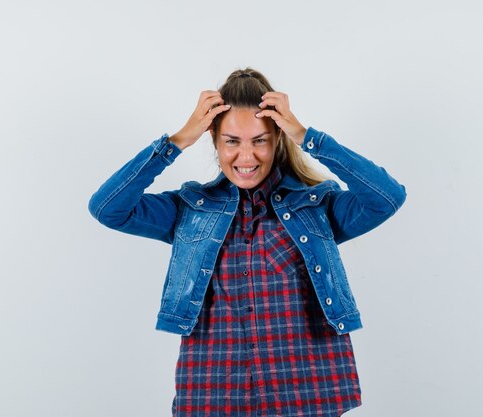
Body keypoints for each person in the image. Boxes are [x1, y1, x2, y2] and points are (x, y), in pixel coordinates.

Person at [88, 68, 406, 417]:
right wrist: (177, 141)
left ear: (278, 139)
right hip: (215, 391)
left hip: (306, 389)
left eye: (260, 140)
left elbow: (386, 198)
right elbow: (107, 208)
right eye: (232, 141)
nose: (246, 157)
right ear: (213, 139)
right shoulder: (190, 210)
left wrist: (306, 136)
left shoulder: (316, 207)